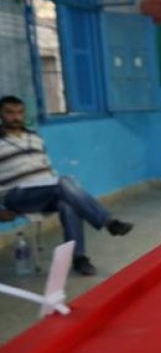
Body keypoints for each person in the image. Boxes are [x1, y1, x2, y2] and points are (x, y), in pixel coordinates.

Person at [0, 96, 133, 276]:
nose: (15, 117)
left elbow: (46, 168)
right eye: (9, 112)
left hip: (46, 190)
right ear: (1, 113)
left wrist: (58, 184)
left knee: (67, 203)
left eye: (19, 112)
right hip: (17, 195)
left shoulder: (35, 137)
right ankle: (109, 222)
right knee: (63, 183)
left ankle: (79, 258)